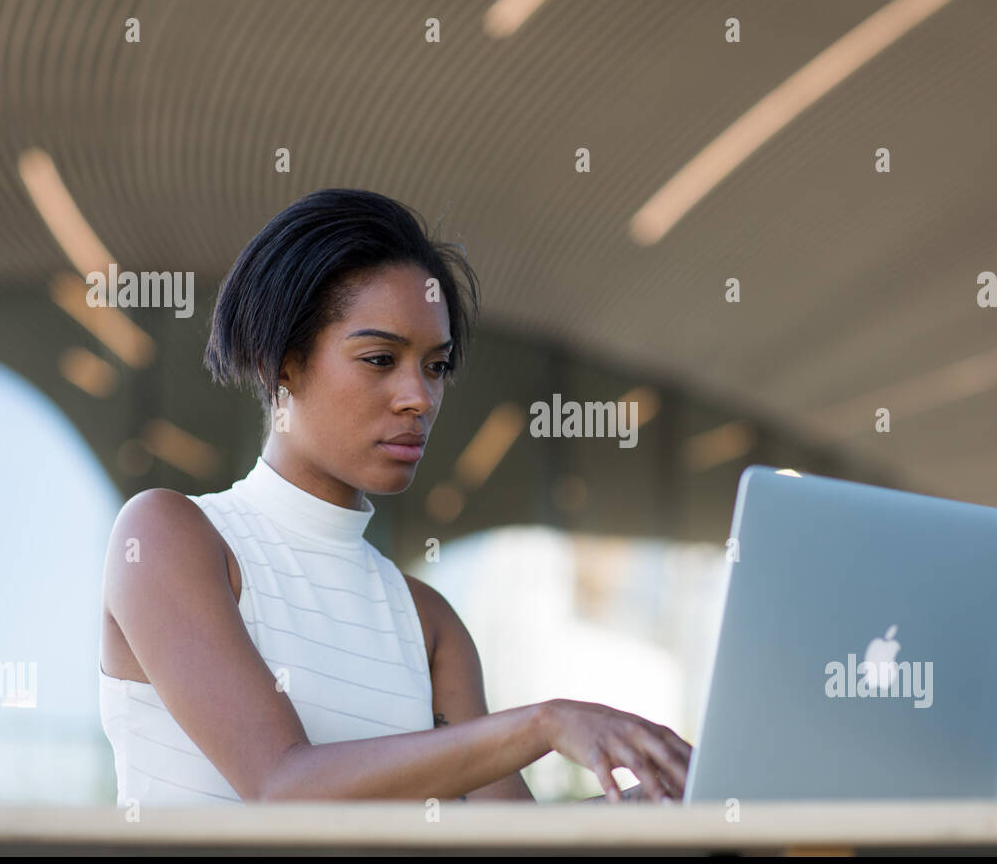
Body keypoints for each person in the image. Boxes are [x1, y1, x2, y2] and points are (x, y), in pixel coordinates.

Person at [98, 188, 692, 805]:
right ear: (281, 364)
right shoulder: (168, 536)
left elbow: (514, 849)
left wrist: (671, 796)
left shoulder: (428, 622)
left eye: (435, 366)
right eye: (380, 358)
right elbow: (283, 788)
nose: (420, 398)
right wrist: (544, 724)